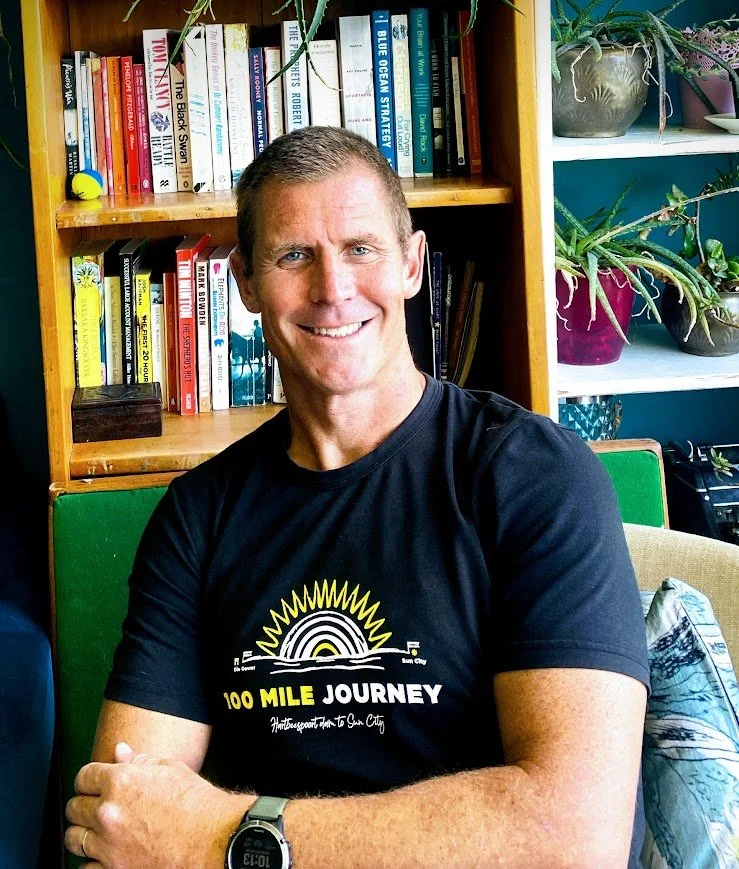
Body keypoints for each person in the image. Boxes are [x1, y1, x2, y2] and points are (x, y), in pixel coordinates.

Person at [65, 127, 649, 869]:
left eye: (360, 248)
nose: (332, 289)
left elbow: (572, 837)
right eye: (293, 255)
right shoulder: (198, 515)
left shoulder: (532, 474)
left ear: (410, 263)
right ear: (244, 284)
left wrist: (228, 837)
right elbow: (119, 822)